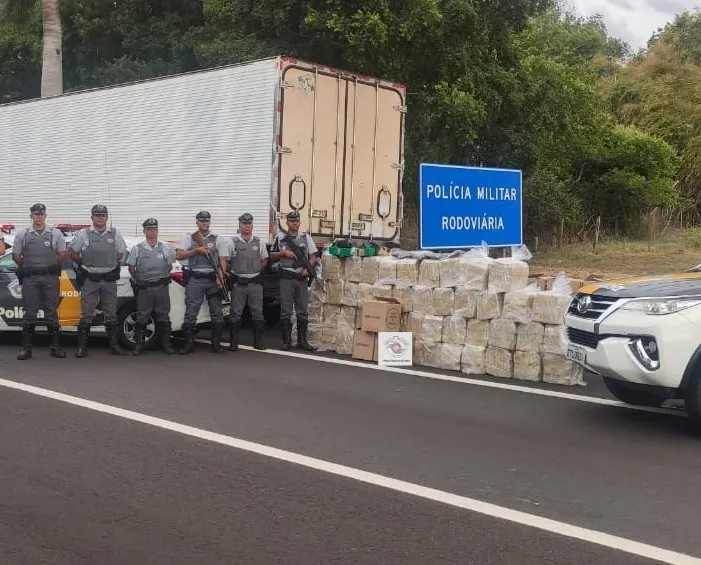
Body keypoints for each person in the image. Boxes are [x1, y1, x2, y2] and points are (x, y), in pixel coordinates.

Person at [69, 204, 127, 357]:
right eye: (97, 215)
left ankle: (114, 346)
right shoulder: (83, 234)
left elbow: (121, 253)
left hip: (108, 279)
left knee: (111, 313)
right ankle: (82, 347)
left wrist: (113, 268)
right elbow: (73, 252)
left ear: (107, 217)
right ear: (92, 217)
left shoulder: (115, 234)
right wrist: (83, 266)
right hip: (91, 279)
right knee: (86, 312)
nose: (100, 218)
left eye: (103, 215)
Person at [11, 203, 67, 360]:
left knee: (51, 311)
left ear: (45, 216)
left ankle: (55, 347)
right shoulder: (23, 235)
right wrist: (26, 268)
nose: (39, 217)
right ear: (31, 216)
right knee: (30, 312)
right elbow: (16, 255)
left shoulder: (55, 234)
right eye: (36, 214)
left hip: (50, 278)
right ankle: (26, 349)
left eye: (41, 214)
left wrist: (55, 265)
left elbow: (63, 253)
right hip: (31, 279)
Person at [176, 210, 228, 354]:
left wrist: (221, 276)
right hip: (195, 279)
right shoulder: (190, 238)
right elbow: (179, 254)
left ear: (210, 222)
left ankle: (216, 344)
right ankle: (188, 344)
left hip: (212, 279)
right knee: (191, 311)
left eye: (207, 221)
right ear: (197, 223)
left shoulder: (218, 239)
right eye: (201, 221)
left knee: (217, 311)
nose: (204, 223)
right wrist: (196, 251)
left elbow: (223, 260)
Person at [125, 218, 177, 356]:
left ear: (158, 231)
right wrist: (140, 279)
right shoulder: (138, 248)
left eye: (154, 229)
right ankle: (139, 345)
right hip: (145, 288)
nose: (152, 231)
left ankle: (166, 344)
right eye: (149, 229)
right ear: (144, 231)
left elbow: (169, 266)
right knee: (142, 316)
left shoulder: (165, 248)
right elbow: (131, 267)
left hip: (161, 287)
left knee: (164, 316)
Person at [269, 210, 318, 351]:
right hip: (286, 277)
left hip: (301, 278)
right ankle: (286, 342)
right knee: (286, 310)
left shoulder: (305, 237)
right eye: (291, 221)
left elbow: (313, 256)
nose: (294, 223)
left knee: (302, 310)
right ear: (287, 223)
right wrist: (283, 253)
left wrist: (308, 270)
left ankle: (302, 341)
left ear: (300, 223)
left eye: (296, 221)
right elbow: (271, 255)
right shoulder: (280, 237)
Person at [220, 213, 268, 351]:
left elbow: (264, 260)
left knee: (258, 313)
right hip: (239, 284)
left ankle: (258, 342)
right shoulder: (232, 242)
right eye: (244, 224)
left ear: (252, 225)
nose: (247, 226)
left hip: (255, 284)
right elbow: (226, 261)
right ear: (239, 225)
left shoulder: (259, 242)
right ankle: (234, 343)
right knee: (235, 314)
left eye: (249, 224)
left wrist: (255, 271)